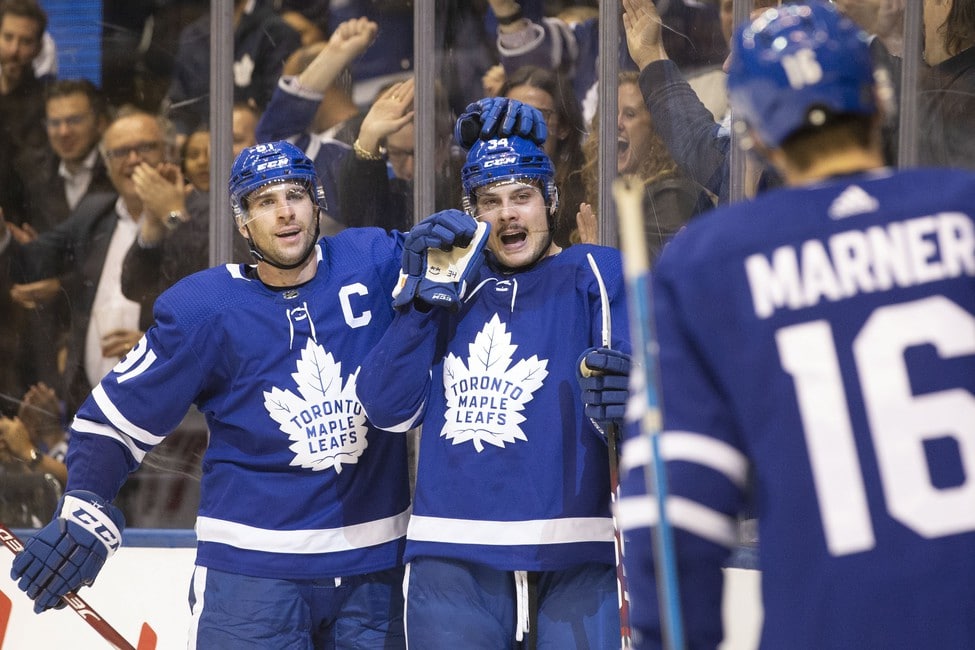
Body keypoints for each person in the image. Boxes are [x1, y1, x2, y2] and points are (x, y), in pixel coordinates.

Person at [617, 3, 975, 649]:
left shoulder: (710, 263)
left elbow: (671, 512)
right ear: (878, 100)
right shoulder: (962, 216)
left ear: (750, 135)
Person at [6, 140, 454, 648]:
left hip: (374, 574)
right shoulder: (206, 309)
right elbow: (113, 419)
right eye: (265, 202)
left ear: (317, 202)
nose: (285, 213)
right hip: (252, 579)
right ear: (243, 223)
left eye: (295, 195)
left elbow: (477, 263)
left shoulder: (373, 261)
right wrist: (85, 500)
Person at [356, 100, 631, 648]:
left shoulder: (596, 272)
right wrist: (419, 307)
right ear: (472, 212)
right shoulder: (451, 282)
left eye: (522, 197)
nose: (508, 214)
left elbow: (642, 405)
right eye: (490, 201)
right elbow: (388, 410)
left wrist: (637, 400)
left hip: (577, 544)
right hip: (452, 550)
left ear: (550, 201)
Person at [1, 108, 180, 416]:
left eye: (146, 147)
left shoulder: (196, 217)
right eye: (120, 152)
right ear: (107, 164)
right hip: (91, 407)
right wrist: (3, 234)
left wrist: (159, 347)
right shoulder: (95, 213)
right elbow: (33, 261)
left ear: (170, 153)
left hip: (166, 410)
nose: (133, 159)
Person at [578, 70, 714, 257]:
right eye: (611, 113)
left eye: (630, 114)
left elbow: (644, 276)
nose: (616, 123)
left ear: (656, 129)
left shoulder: (673, 196)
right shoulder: (611, 194)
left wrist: (596, 252)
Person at [162, 0, 300, 136]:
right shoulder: (194, 35)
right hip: (200, 147)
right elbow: (179, 106)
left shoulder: (277, 32)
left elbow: (278, 109)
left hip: (254, 149)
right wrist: (187, 140)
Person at [499, 65, 588, 248]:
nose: (522, 128)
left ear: (562, 127)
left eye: (536, 116)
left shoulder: (587, 193)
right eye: (511, 116)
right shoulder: (476, 189)